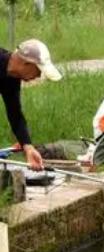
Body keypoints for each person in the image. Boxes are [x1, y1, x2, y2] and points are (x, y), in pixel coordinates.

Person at [0, 39, 61, 171]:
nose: (38, 76)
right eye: (38, 70)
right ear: (26, 63)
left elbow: (15, 115)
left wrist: (28, 147)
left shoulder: (11, 78)